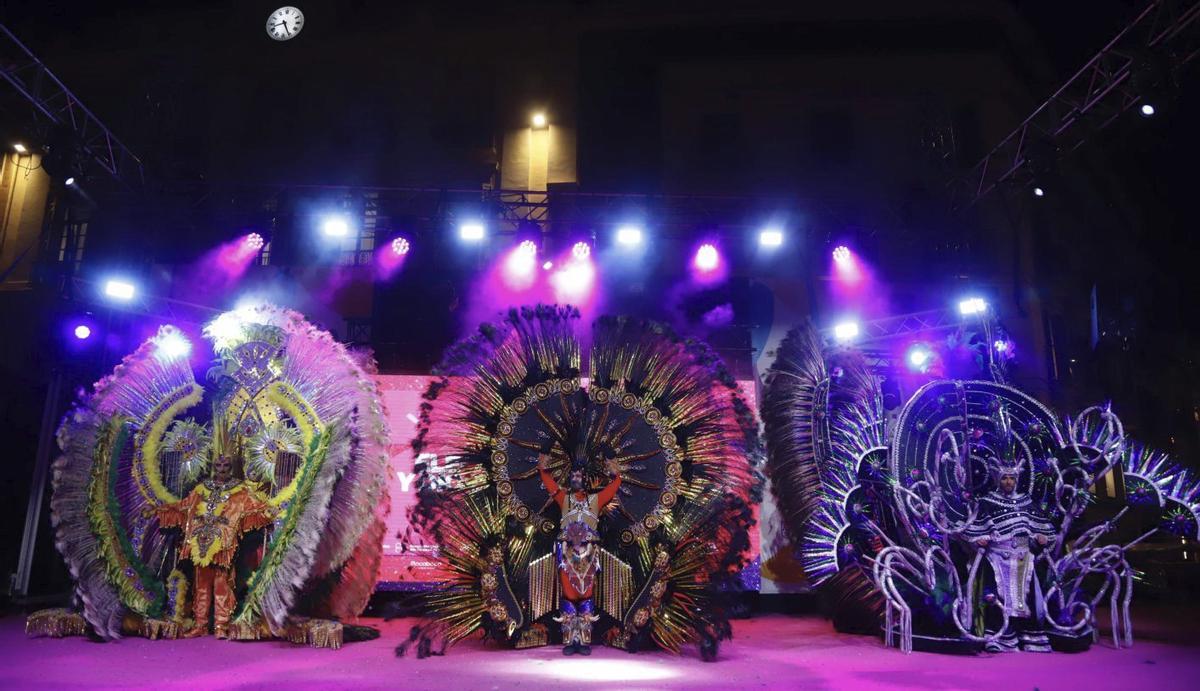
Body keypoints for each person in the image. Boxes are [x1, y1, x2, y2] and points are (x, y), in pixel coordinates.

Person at [157, 448, 274, 639]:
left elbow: (255, 509)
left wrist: (271, 512)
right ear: (213, 466)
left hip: (223, 546)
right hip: (200, 545)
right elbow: (185, 506)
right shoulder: (202, 488)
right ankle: (201, 625)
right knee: (200, 585)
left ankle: (221, 625)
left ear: (232, 467)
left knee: (222, 585)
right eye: (218, 465)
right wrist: (161, 509)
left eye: (226, 465)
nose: (221, 469)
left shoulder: (240, 490)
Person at [537, 449, 622, 655]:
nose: (576, 478)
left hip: (589, 554)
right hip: (567, 553)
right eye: (573, 475)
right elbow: (546, 478)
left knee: (586, 593)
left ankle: (583, 640)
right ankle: (569, 639)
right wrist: (544, 457)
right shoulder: (563, 499)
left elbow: (615, 485)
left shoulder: (595, 501)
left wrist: (613, 466)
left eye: (580, 475)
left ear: (585, 479)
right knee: (568, 593)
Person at [964, 464, 1057, 652]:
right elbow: (974, 528)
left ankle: (1029, 637)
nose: (1008, 482)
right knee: (998, 596)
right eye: (1005, 478)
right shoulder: (987, 501)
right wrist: (979, 539)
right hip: (998, 556)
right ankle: (998, 638)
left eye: (1012, 478)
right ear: (998, 480)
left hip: (1023, 556)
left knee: (1025, 597)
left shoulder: (1025, 501)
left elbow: (1040, 529)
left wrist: (1041, 537)